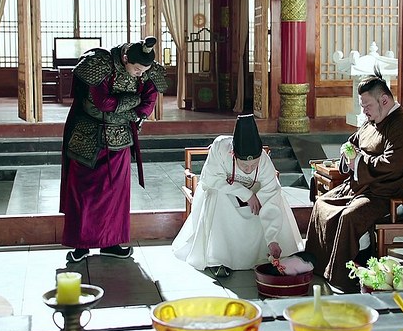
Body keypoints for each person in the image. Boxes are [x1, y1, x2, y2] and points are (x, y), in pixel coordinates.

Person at [305, 71, 403, 292]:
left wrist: (358, 161)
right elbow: (352, 142)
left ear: (384, 100)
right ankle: (318, 264)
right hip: (366, 186)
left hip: (391, 194)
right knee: (322, 203)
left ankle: (346, 276)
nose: (364, 111)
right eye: (362, 106)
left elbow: (392, 165)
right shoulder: (373, 120)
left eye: (367, 106)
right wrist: (348, 153)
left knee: (350, 217)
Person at [60, 37, 167, 263]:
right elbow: (102, 102)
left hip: (119, 139)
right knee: (83, 194)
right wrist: (134, 101)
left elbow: (147, 105)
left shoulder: (147, 71)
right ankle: (81, 245)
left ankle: (111, 242)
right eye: (136, 70)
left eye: (143, 71)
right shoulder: (100, 63)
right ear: (126, 58)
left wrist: (127, 107)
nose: (140, 74)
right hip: (87, 136)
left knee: (115, 195)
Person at [172, 114, 305, 278]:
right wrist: (245, 194)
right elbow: (210, 180)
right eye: (244, 165)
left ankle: (267, 252)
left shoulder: (264, 163)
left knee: (277, 197)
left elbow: (271, 199)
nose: (249, 169)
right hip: (225, 197)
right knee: (216, 195)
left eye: (253, 165)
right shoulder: (220, 147)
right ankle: (219, 258)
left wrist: (272, 239)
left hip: (255, 201)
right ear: (233, 154)